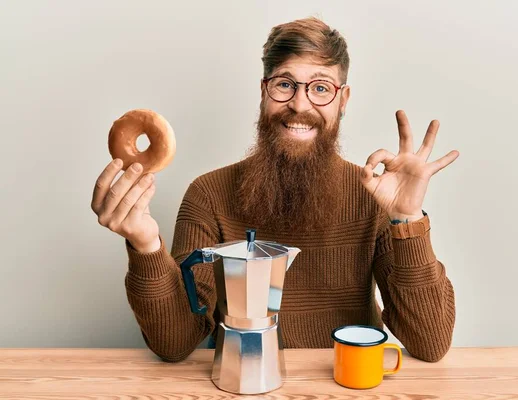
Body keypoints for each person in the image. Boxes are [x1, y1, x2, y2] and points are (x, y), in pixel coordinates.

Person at [91, 17, 459, 363]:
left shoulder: (374, 196)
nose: (300, 105)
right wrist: (145, 245)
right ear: (264, 91)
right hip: (244, 383)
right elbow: (174, 344)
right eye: (284, 84)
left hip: (347, 383)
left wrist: (406, 219)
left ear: (342, 100)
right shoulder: (208, 195)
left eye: (320, 88)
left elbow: (430, 343)